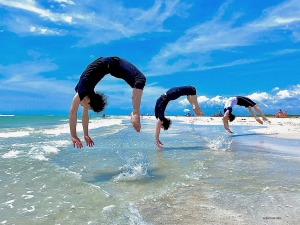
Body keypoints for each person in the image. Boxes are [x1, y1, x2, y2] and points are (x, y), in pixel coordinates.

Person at [69, 56, 146, 148]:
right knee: (138, 82)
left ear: (88, 100)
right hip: (111, 68)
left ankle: (136, 112)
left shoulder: (82, 90)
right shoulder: (85, 95)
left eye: (87, 107)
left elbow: (73, 112)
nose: (82, 106)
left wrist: (73, 135)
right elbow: (84, 116)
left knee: (140, 79)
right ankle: (135, 111)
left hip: (113, 63)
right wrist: (86, 134)